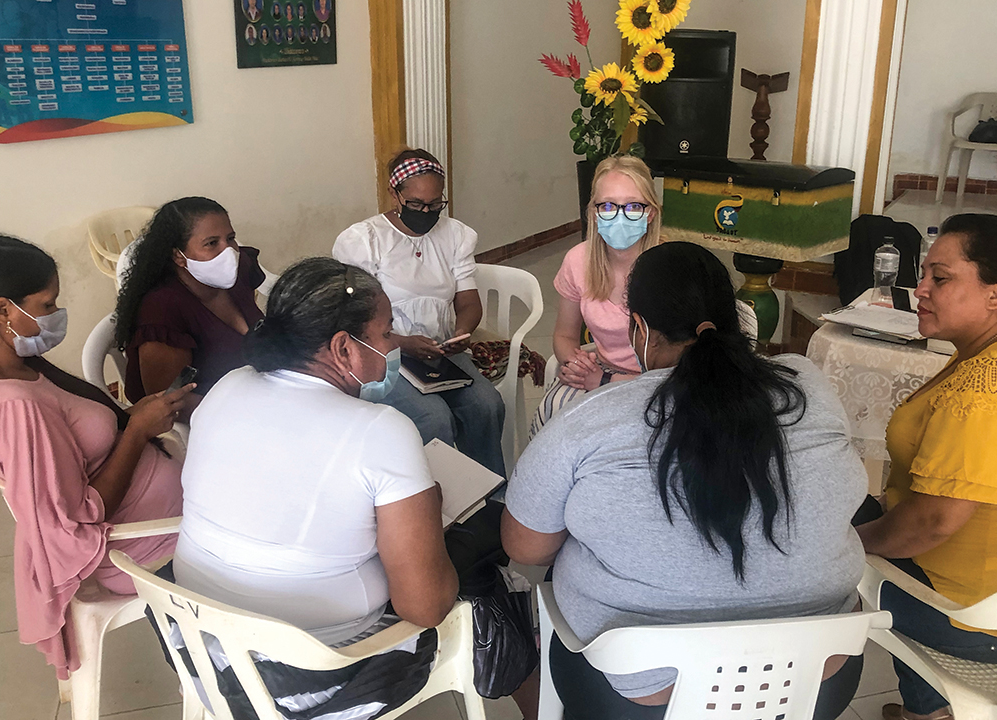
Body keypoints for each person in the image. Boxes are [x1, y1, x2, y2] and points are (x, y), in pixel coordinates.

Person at [503, 242, 868, 720]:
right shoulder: (807, 386)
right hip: (815, 683)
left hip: (639, 699)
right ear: (735, 319)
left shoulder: (590, 417)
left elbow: (524, 547)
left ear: (639, 330)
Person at [172, 258, 538, 718]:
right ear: (344, 347)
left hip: (199, 640)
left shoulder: (228, 386)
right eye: (386, 334)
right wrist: (426, 520)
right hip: (304, 674)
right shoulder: (381, 430)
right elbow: (424, 608)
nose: (391, 346)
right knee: (496, 575)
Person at [853, 214, 997, 720]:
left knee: (813, 539)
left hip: (988, 622)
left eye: (940, 278)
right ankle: (929, 706)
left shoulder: (989, 389)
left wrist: (847, 545)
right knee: (846, 503)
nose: (919, 290)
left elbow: (933, 522)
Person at [0, 235, 187, 680]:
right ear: (4, 310)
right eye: (47, 304)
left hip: (152, 514)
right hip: (139, 545)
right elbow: (76, 519)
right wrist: (136, 432)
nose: (55, 316)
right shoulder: (14, 408)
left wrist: (134, 423)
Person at [333, 149, 506, 475]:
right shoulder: (364, 240)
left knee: (487, 406)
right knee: (432, 416)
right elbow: (353, 318)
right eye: (415, 204)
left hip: (439, 351)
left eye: (435, 204)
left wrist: (461, 334)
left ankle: (490, 497)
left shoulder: (455, 235)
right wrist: (402, 342)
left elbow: (468, 302)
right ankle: (435, 503)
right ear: (394, 194)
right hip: (383, 355)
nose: (426, 212)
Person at [529, 155, 660, 436]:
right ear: (593, 212)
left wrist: (605, 381)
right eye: (608, 205)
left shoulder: (671, 265)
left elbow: (683, 368)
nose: (620, 215)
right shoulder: (578, 261)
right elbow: (564, 336)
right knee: (552, 418)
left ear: (651, 213)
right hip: (601, 370)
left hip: (658, 384)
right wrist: (573, 364)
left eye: (634, 206)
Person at [115, 197, 266, 416]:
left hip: (258, 395)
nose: (229, 252)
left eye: (230, 238)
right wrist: (248, 409)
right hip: (216, 416)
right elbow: (170, 401)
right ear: (179, 256)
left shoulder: (240, 271)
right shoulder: (162, 311)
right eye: (211, 243)